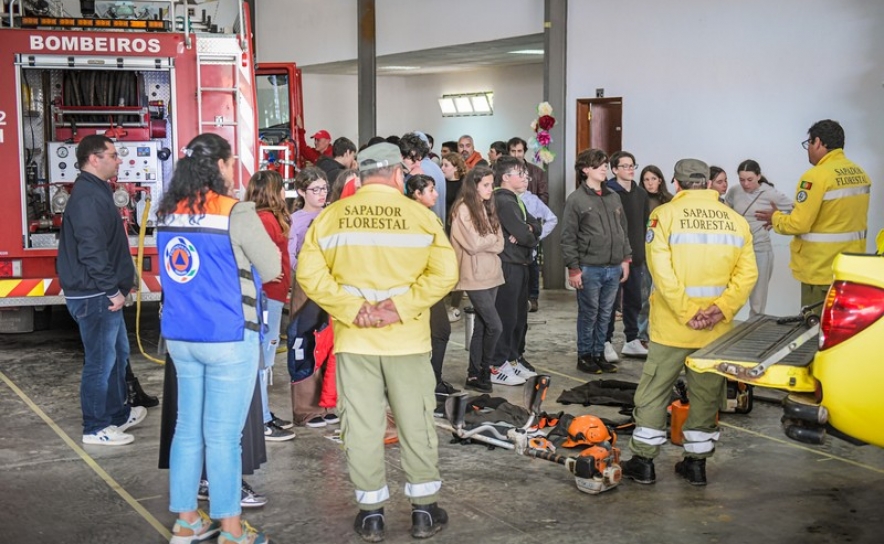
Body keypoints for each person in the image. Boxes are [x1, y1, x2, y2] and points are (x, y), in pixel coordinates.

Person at [297, 143, 458, 542]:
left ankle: (371, 514)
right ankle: (424, 510)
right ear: (398, 175)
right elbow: (445, 275)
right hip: (407, 340)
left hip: (356, 341)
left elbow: (309, 276)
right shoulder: (419, 217)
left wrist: (354, 309)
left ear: (360, 174)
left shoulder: (330, 218)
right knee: (416, 422)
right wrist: (399, 307)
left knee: (363, 426)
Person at [157, 133, 281, 544]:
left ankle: (187, 520)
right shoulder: (236, 212)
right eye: (231, 163)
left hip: (181, 337)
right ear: (222, 167)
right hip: (229, 336)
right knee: (224, 437)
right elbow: (273, 265)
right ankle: (230, 529)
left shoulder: (167, 210)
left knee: (187, 428)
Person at [621, 158, 757, 488]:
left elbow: (661, 273)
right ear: (708, 183)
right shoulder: (735, 221)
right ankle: (696, 465)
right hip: (715, 332)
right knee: (707, 396)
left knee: (654, 392)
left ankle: (644, 462)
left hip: (672, 327)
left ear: (677, 184)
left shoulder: (663, 216)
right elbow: (747, 274)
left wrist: (686, 312)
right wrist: (720, 309)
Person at [57, 135, 147, 447]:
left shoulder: (97, 191)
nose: (119, 159)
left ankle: (117, 414)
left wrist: (126, 280)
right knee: (100, 361)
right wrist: (112, 291)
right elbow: (92, 250)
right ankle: (96, 427)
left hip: (103, 292)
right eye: (113, 154)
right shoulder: (87, 197)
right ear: (95, 159)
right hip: (95, 295)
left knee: (118, 354)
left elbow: (111, 245)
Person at [756, 119, 871, 311]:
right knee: (841, 332)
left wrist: (776, 218)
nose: (808, 149)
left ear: (818, 142)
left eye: (808, 143)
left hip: (821, 271)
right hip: (849, 269)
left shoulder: (816, 176)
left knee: (815, 330)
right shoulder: (860, 174)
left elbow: (799, 224)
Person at [561, 149, 631, 375]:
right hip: (590, 268)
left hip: (613, 267)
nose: (604, 168)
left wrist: (626, 258)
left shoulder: (613, 197)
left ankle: (599, 353)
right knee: (589, 314)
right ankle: (585, 356)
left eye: (605, 164)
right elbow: (568, 237)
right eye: (599, 165)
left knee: (606, 314)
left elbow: (623, 231)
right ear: (585, 170)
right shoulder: (576, 200)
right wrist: (573, 269)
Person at [245, 170, 296, 442]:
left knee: (266, 354)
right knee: (262, 357)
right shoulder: (264, 219)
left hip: (272, 294)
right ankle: (260, 418)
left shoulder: (269, 218)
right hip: (267, 296)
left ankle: (264, 413)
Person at [287, 167, 339, 428]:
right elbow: (290, 255)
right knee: (304, 344)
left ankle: (328, 402)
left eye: (324, 189)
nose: (321, 194)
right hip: (306, 287)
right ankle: (306, 408)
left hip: (331, 285)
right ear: (301, 191)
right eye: (315, 189)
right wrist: (307, 271)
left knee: (328, 342)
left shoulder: (333, 215)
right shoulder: (295, 220)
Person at [449, 166, 505, 392]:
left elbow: (500, 244)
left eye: (491, 184)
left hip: (492, 273)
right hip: (474, 276)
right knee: (495, 326)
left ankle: (474, 375)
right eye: (486, 185)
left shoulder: (486, 207)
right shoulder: (463, 210)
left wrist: (487, 240)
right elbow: (472, 245)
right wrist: (489, 239)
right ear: (474, 186)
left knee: (483, 326)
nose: (491, 189)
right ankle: (484, 370)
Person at [405, 174, 459, 404]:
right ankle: (431, 382)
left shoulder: (426, 215)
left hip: (430, 283)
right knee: (440, 331)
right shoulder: (414, 217)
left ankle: (431, 379)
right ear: (416, 194)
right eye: (430, 190)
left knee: (434, 333)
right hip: (422, 286)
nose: (436, 194)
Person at [491, 156, 541, 385]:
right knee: (507, 316)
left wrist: (529, 230)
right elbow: (526, 236)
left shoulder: (517, 200)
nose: (525, 179)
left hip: (521, 263)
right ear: (505, 177)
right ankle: (497, 363)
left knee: (520, 317)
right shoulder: (504, 201)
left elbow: (536, 226)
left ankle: (513, 357)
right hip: (508, 265)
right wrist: (527, 233)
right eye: (519, 174)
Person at [725, 159, 794, 317]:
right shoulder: (735, 190)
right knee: (731, 291)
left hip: (760, 249)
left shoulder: (770, 194)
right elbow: (726, 206)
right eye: (742, 179)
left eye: (750, 179)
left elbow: (797, 211)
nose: (745, 184)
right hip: (737, 249)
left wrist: (776, 220)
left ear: (758, 176)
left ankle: (754, 329)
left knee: (757, 298)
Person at [604, 151, 650, 361]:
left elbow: (644, 224)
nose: (630, 169)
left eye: (632, 165)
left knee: (634, 300)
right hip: (614, 257)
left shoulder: (641, 194)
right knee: (610, 302)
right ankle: (605, 341)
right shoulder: (608, 192)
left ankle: (632, 340)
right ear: (614, 169)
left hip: (636, 256)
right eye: (625, 166)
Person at [636, 165, 673, 346]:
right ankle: (642, 334)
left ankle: (665, 333)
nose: (650, 183)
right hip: (645, 254)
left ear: (660, 180)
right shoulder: (639, 200)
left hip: (666, 254)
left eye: (653, 179)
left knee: (667, 295)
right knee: (644, 297)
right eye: (646, 179)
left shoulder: (670, 201)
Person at [401, 132, 447, 223]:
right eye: (414, 160)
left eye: (419, 159)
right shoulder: (435, 167)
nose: (418, 164)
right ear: (401, 156)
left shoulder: (418, 172)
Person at [507, 137, 549, 204]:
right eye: (513, 151)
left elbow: (543, 197)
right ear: (508, 152)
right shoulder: (503, 171)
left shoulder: (537, 172)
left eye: (519, 151)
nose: (516, 155)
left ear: (524, 152)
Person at [440, 152, 467, 225]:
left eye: (446, 165)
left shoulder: (464, 185)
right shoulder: (440, 182)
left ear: (456, 168)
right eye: (442, 165)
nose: (442, 168)